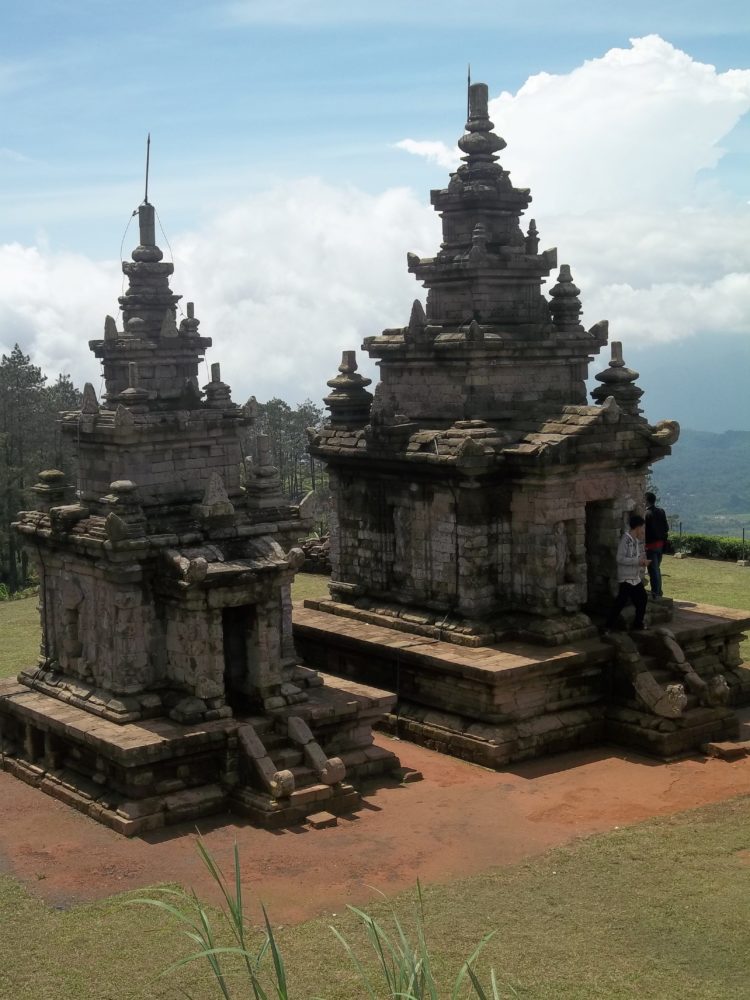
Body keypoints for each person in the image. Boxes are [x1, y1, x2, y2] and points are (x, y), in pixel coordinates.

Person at [604, 513, 649, 632]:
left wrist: (642, 562)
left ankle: (637, 623)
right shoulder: (626, 540)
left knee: (642, 599)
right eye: (642, 528)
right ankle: (607, 626)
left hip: (634, 578)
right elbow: (619, 558)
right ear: (638, 527)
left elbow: (636, 557)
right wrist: (637, 561)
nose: (643, 530)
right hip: (626, 578)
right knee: (620, 603)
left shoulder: (635, 541)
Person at [644, 491, 669, 598]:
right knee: (656, 569)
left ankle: (656, 593)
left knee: (653, 571)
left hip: (650, 546)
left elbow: (644, 531)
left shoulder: (646, 514)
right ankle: (658, 591)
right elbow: (666, 528)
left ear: (646, 501)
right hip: (661, 545)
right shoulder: (661, 511)